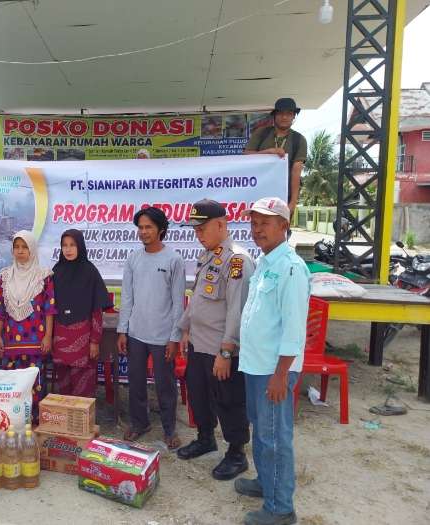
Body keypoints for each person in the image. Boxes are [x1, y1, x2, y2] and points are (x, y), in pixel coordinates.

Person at [235, 197, 311, 525]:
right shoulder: (265, 262)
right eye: (254, 223)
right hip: (255, 365)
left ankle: (281, 509)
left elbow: (294, 329)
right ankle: (266, 483)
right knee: (261, 431)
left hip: (273, 370)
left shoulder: (290, 268)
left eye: (265, 223)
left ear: (284, 226)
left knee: (275, 439)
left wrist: (281, 375)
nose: (257, 229)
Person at [175, 200, 254, 481]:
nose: (198, 234)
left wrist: (227, 351)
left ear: (221, 224)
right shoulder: (209, 255)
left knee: (229, 400)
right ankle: (205, 438)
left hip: (221, 349)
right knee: (199, 395)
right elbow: (198, 298)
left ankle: (236, 453)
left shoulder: (237, 260)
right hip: (199, 343)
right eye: (195, 229)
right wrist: (185, 328)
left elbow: (237, 310)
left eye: (202, 228)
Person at [117, 207, 185, 450]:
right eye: (141, 227)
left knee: (165, 385)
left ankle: (169, 429)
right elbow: (127, 297)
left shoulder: (173, 260)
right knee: (135, 382)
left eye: (149, 227)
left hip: (162, 336)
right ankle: (140, 423)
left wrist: (174, 338)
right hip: (136, 333)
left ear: (161, 230)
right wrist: (122, 330)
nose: (144, 232)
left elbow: (178, 302)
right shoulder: (133, 259)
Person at [0, 231, 56, 412]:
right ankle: (12, 419)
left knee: (35, 383)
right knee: (12, 383)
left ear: (32, 250)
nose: (20, 251)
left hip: (36, 340)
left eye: (24, 247)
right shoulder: (6, 276)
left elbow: (49, 309)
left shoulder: (43, 276)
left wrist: (48, 336)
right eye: (16, 247)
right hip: (11, 339)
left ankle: (34, 420)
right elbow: (0, 308)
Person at [52, 229, 112, 397]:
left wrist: (95, 341)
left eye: (72, 245)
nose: (68, 249)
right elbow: (50, 309)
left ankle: (81, 415)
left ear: (80, 246)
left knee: (83, 389)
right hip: (60, 338)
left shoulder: (90, 272)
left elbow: (97, 310)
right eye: (64, 245)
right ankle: (65, 413)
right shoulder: (56, 271)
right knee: (63, 388)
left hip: (83, 339)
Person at [244, 98, 308, 215]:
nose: (284, 117)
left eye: (289, 114)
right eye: (280, 113)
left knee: (280, 226)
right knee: (258, 224)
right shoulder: (261, 133)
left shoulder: (299, 140)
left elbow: (296, 171)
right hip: (258, 193)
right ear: (274, 115)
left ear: (293, 116)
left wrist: (293, 202)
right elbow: (246, 156)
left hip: (284, 196)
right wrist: (269, 152)